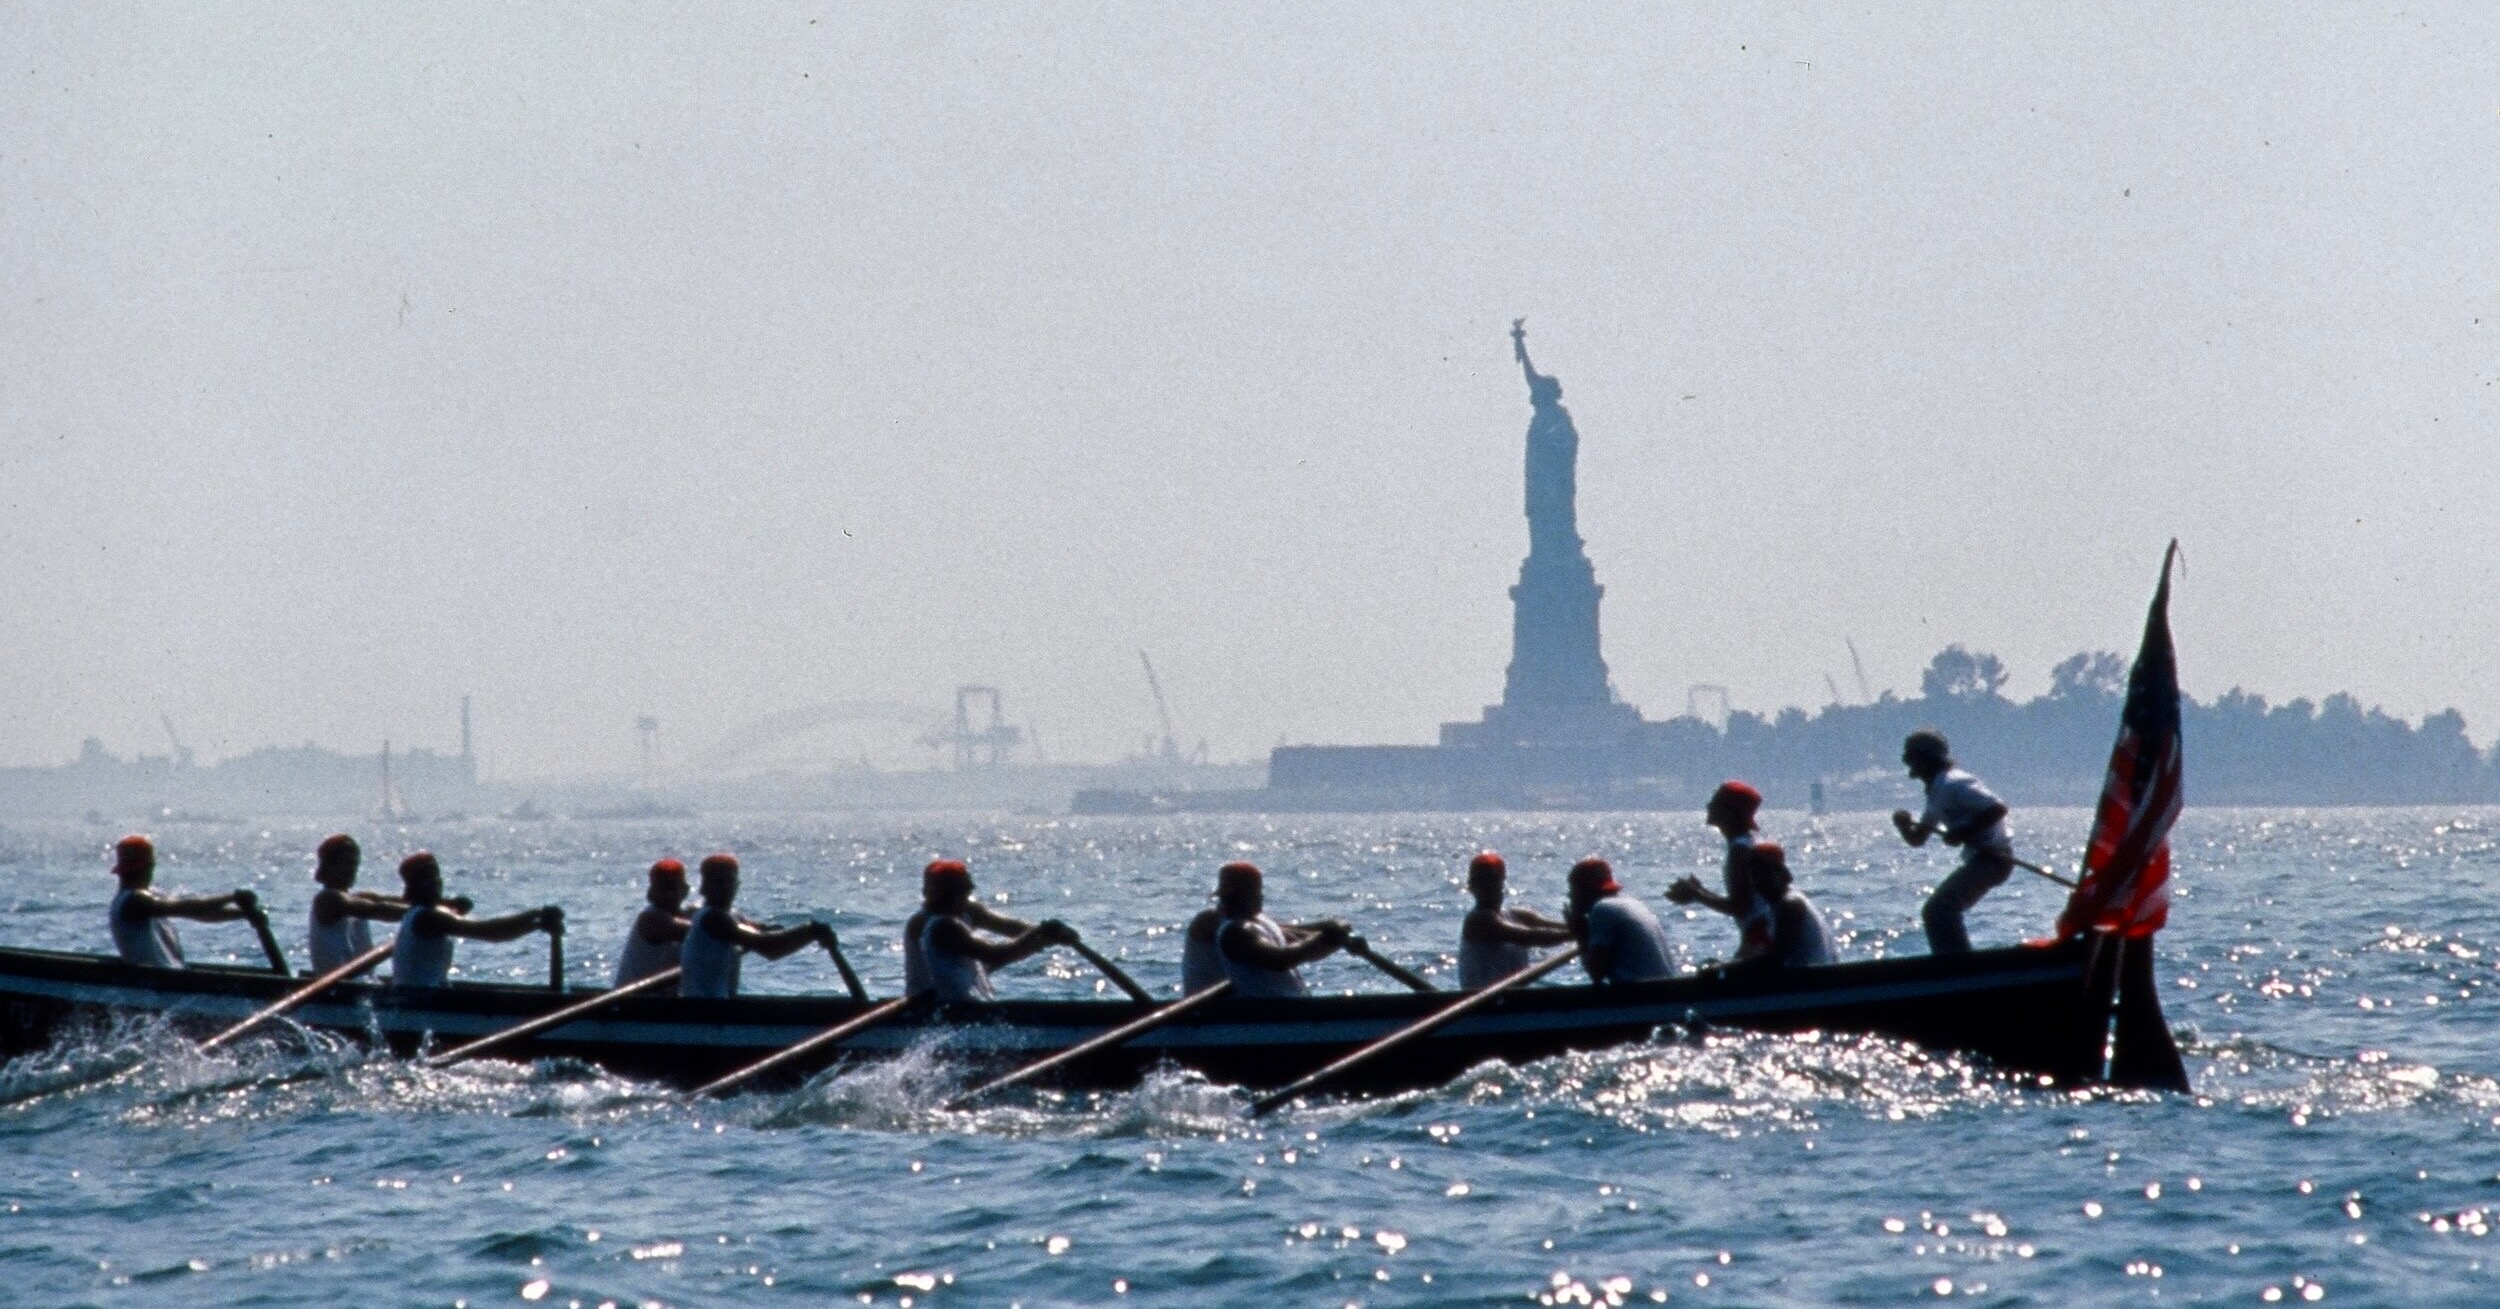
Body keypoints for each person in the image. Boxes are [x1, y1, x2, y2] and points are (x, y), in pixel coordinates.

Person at [1892, 730, 2017, 955]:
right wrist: (1903, 827)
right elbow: (1918, 839)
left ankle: (1957, 967)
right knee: (1936, 910)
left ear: (1926, 759)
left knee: (1939, 910)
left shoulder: (1954, 783)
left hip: (1995, 859)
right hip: (1980, 860)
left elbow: (1997, 808)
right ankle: (1953, 961)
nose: (1906, 763)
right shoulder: (1935, 793)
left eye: (1911, 757)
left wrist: (1962, 832)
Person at [390, 851, 563, 988]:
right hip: (419, 1001)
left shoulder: (423, 912)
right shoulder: (427, 918)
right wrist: (536, 915)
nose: (436, 882)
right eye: (426, 877)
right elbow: (489, 932)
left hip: (426, 995)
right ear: (412, 885)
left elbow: (491, 927)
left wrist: (537, 923)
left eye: (436, 875)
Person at [916, 859, 1075, 1003]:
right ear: (954, 895)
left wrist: (1044, 938)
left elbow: (1003, 950)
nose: (969, 898)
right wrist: (1040, 931)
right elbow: (996, 955)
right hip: (960, 1012)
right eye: (967, 891)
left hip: (968, 1007)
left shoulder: (945, 923)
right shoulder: (945, 927)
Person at [679, 854, 832, 1000]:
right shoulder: (712, 918)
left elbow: (772, 951)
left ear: (737, 885)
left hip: (720, 1006)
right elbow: (765, 945)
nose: (724, 887)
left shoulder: (732, 916)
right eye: (718, 882)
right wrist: (809, 930)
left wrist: (809, 936)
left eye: (729, 881)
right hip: (702, 1010)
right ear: (704, 887)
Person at [306, 834, 459, 972]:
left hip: (359, 986)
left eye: (355, 864)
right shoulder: (328, 900)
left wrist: (444, 904)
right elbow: (379, 909)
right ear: (328, 866)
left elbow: (386, 901)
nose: (352, 870)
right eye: (346, 864)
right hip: (338, 991)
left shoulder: (352, 898)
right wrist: (427, 917)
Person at [106, 834, 256, 969]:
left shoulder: (151, 896)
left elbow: (200, 913)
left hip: (171, 976)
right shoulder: (134, 902)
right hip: (157, 984)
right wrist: (232, 897)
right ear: (150, 866)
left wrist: (243, 914)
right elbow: (186, 908)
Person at [1182, 868, 1342, 994]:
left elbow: (1284, 934)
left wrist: (1332, 932)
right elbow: (1279, 959)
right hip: (1213, 1013)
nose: (1261, 897)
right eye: (1257, 892)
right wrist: (1328, 935)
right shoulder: (1212, 922)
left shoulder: (1254, 922)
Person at [1666, 781, 1772, 957]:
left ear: (1730, 812)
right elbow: (1742, 901)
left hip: (1759, 938)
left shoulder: (1740, 851)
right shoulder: (1744, 845)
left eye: (1715, 801)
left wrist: (1697, 895)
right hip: (1758, 936)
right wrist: (1700, 891)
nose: (1708, 805)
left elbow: (1740, 907)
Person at [903, 859, 1034, 998]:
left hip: (957, 997)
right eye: (964, 891)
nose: (967, 898)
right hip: (929, 1006)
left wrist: (1044, 934)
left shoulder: (967, 911)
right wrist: (1040, 938)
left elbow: (1012, 928)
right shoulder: (937, 926)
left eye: (968, 891)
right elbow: (994, 955)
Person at [1458, 851, 1573, 988]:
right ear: (1472, 887)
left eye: (1492, 879)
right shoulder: (1478, 921)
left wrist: (1584, 927)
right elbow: (1529, 936)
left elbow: (1553, 927)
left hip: (1512, 999)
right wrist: (1574, 934)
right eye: (1481, 881)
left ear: (1501, 882)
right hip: (1484, 1004)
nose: (1487, 886)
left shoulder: (1518, 916)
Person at [1565, 858, 1676, 984]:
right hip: (1667, 991)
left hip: (1642, 997)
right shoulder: (1633, 903)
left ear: (1585, 890)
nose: (1570, 895)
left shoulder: (1602, 910)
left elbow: (1596, 974)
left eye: (1573, 889)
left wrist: (1580, 936)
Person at [1728, 843, 1835, 969]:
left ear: (1781, 872)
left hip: (1812, 984)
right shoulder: (1778, 906)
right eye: (1754, 874)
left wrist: (1727, 970)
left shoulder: (1790, 904)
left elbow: (1776, 959)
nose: (1760, 880)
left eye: (1766, 873)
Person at [612, 858, 692, 988]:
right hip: (634, 1004)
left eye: (672, 888)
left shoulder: (687, 916)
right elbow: (701, 932)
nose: (667, 894)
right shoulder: (650, 920)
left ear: (685, 890)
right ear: (651, 892)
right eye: (662, 888)